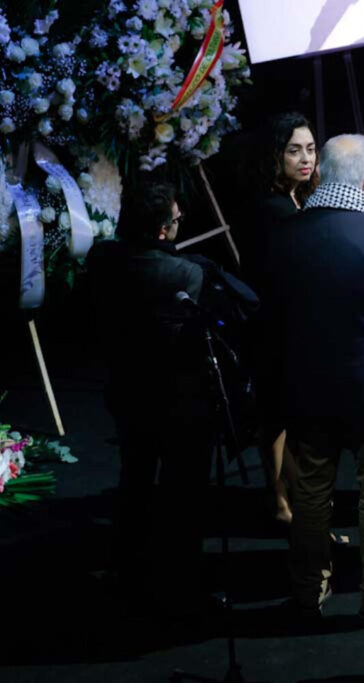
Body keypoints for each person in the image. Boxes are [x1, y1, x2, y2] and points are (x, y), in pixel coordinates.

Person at [264, 134, 364, 624]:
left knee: (310, 495)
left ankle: (307, 590)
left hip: (306, 391)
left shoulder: (286, 235)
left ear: (319, 173)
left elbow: (270, 321)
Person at [88, 180, 214, 614]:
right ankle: (178, 582)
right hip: (176, 398)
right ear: (162, 230)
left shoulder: (101, 260)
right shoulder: (186, 274)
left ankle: (126, 570)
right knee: (182, 491)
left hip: (125, 389)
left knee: (135, 479)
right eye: (176, 221)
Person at [247, 112, 320, 526]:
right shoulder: (273, 208)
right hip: (273, 326)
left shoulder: (296, 199)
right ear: (276, 156)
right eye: (294, 151)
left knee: (279, 419)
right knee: (276, 418)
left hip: (285, 323)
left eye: (310, 149)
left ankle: (288, 502)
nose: (305, 158)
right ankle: (284, 503)